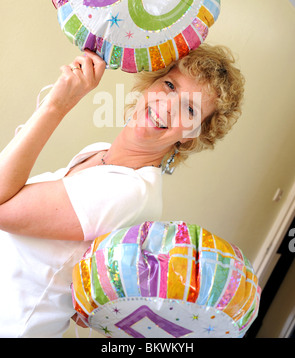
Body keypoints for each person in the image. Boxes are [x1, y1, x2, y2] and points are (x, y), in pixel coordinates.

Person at [0, 44, 244, 338]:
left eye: (190, 108)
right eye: (169, 85)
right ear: (149, 84)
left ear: (192, 137)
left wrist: (57, 105)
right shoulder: (101, 153)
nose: (167, 105)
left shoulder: (130, 193)